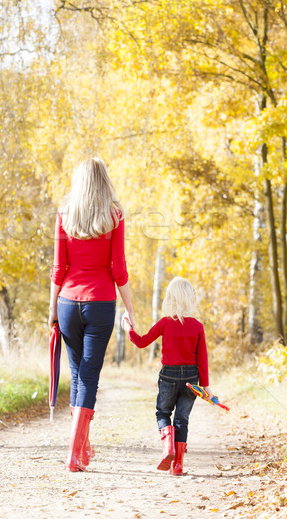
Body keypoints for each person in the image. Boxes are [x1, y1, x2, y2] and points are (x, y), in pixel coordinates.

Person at [49, 158, 134, 472]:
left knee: (78, 374)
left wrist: (52, 311)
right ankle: (75, 453)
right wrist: (130, 308)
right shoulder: (114, 216)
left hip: (68, 303)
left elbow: (59, 270)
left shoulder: (64, 214)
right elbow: (118, 269)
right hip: (100, 302)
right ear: (103, 181)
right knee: (89, 376)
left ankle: (82, 448)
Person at [121, 276, 213, 476]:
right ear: (190, 299)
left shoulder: (165, 323)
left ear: (170, 299)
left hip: (168, 376)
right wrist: (205, 386)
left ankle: (168, 447)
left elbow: (142, 342)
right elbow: (202, 359)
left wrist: (129, 329)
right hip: (192, 377)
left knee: (163, 413)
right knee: (182, 419)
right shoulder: (197, 326)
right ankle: (178, 464)